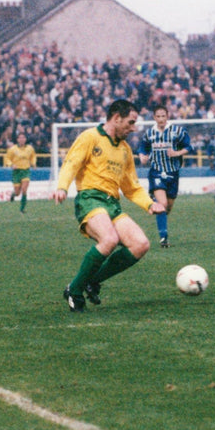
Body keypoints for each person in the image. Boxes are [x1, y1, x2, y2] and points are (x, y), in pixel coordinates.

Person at [53, 99, 165, 313]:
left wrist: (150, 205)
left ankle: (89, 281)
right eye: (130, 123)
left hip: (112, 204)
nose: (133, 128)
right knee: (110, 239)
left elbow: (132, 187)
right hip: (90, 199)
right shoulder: (90, 137)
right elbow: (71, 163)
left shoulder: (124, 150)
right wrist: (62, 187)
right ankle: (75, 291)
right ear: (116, 118)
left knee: (141, 244)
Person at [137, 105, 192, 247]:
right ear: (154, 117)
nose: (161, 119)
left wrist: (177, 153)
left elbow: (188, 146)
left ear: (167, 116)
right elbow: (143, 147)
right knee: (163, 204)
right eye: (158, 116)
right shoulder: (150, 133)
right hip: (156, 171)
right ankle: (164, 238)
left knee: (168, 208)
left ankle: (158, 210)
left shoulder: (177, 131)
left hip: (173, 172)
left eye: (163, 116)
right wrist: (142, 156)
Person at [4, 132, 36, 213]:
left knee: (24, 189)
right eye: (20, 138)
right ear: (17, 139)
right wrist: (11, 165)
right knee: (17, 193)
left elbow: (33, 156)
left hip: (26, 171)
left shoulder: (29, 148)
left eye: (23, 138)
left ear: (25, 139)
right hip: (16, 172)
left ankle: (22, 209)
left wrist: (33, 163)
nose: (22, 139)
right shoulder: (12, 149)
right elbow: (7, 158)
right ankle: (13, 194)